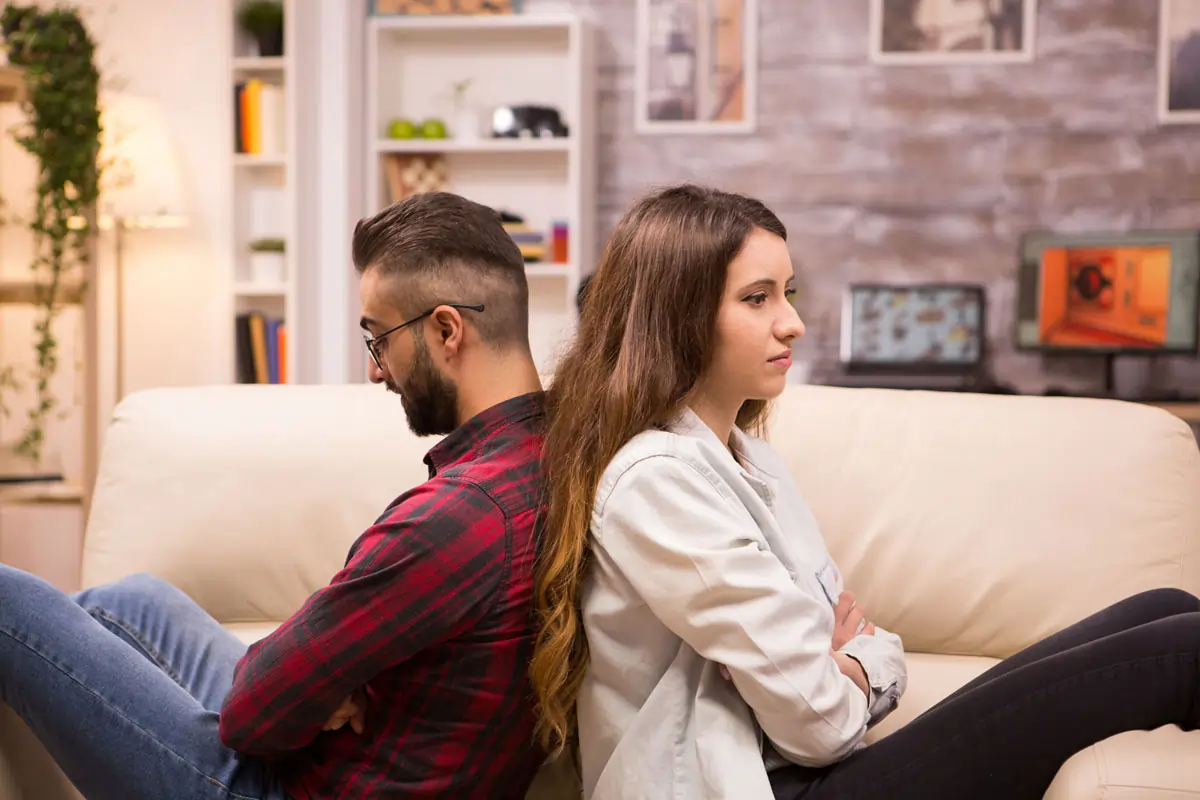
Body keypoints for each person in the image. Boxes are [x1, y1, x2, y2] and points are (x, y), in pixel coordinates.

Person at [527, 183, 1200, 800]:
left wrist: (850, 661)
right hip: (760, 789)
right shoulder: (657, 481)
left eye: (788, 293)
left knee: (1165, 605)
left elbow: (852, 638)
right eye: (757, 298)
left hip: (804, 769)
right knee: (1180, 651)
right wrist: (849, 665)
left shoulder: (750, 461)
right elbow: (818, 721)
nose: (791, 323)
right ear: (677, 317)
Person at [0, 191, 549, 800]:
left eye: (379, 337)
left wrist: (304, 691)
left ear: (447, 329)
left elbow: (248, 718)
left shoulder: (459, 517)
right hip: (316, 756)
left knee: (7, 601)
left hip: (280, 790)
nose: (375, 370)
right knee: (133, 599)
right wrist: (325, 685)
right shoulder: (538, 459)